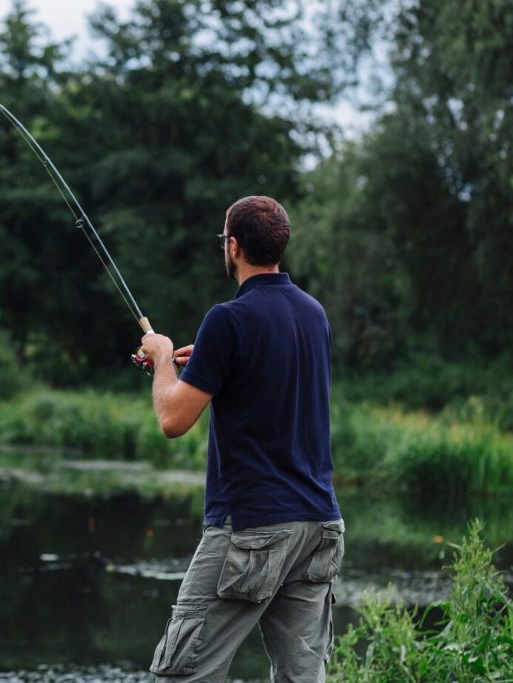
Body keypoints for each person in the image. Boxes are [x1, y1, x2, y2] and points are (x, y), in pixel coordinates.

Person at [138, 196, 344, 683]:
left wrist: (163, 356)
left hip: (253, 526)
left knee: (181, 673)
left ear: (233, 246)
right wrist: (208, 361)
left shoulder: (228, 319)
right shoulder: (314, 314)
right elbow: (262, 376)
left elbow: (172, 419)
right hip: (319, 525)